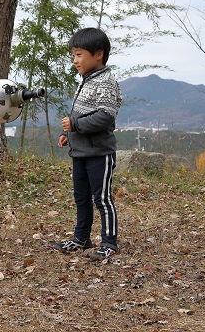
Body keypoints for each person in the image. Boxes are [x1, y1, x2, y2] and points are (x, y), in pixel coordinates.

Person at [52, 28, 122, 261]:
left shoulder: (106, 81)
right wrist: (68, 133)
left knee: (102, 199)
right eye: (74, 55)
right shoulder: (88, 80)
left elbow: (105, 116)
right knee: (81, 197)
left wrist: (75, 125)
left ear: (98, 54)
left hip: (99, 153)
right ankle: (81, 238)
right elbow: (81, 115)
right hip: (80, 151)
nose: (75, 60)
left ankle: (110, 242)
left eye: (79, 54)